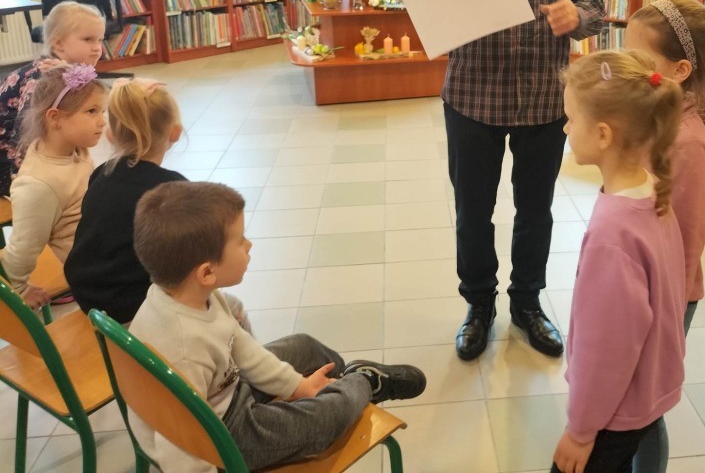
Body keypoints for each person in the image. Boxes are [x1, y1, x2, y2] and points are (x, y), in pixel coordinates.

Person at [380, 0, 605, 361]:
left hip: (543, 100)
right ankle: (479, 304)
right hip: (472, 99)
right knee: (472, 212)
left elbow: (595, 6)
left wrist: (578, 16)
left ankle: (527, 303)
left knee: (536, 211)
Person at [127, 180, 427, 472]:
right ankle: (364, 382)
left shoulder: (189, 295)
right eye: (240, 240)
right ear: (207, 272)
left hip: (223, 394)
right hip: (222, 440)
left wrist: (299, 386)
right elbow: (180, 444)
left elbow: (241, 346)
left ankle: (338, 385)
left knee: (305, 346)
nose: (249, 244)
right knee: (326, 420)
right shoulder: (184, 351)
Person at [551, 50, 687, 473]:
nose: (566, 127)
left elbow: (606, 348)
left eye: (571, 119)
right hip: (643, 390)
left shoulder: (613, 234)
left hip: (613, 409)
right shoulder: (650, 189)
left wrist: (580, 430)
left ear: (603, 134)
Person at [623, 0, 705, 473]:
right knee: (628, 400)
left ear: (680, 70)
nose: (626, 68)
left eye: (637, 59)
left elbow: (685, 243)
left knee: (645, 411)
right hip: (637, 285)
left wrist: (663, 316)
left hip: (665, 297)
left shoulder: (686, 145)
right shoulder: (653, 117)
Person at [64, 77, 251, 330]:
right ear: (175, 132)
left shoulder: (102, 173)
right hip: (133, 308)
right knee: (233, 307)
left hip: (89, 298)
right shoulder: (171, 192)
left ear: (111, 134)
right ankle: (236, 358)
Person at [0, 64, 107, 308]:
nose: (102, 121)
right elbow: (23, 248)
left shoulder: (73, 148)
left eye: (103, 111)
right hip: (93, 275)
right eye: (92, 111)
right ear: (55, 118)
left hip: (99, 248)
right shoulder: (38, 184)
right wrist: (19, 289)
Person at [0, 1, 105, 196]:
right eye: (88, 39)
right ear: (58, 44)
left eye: (100, 40)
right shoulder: (43, 78)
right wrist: (30, 181)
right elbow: (24, 135)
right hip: (8, 162)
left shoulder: (69, 72)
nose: (97, 48)